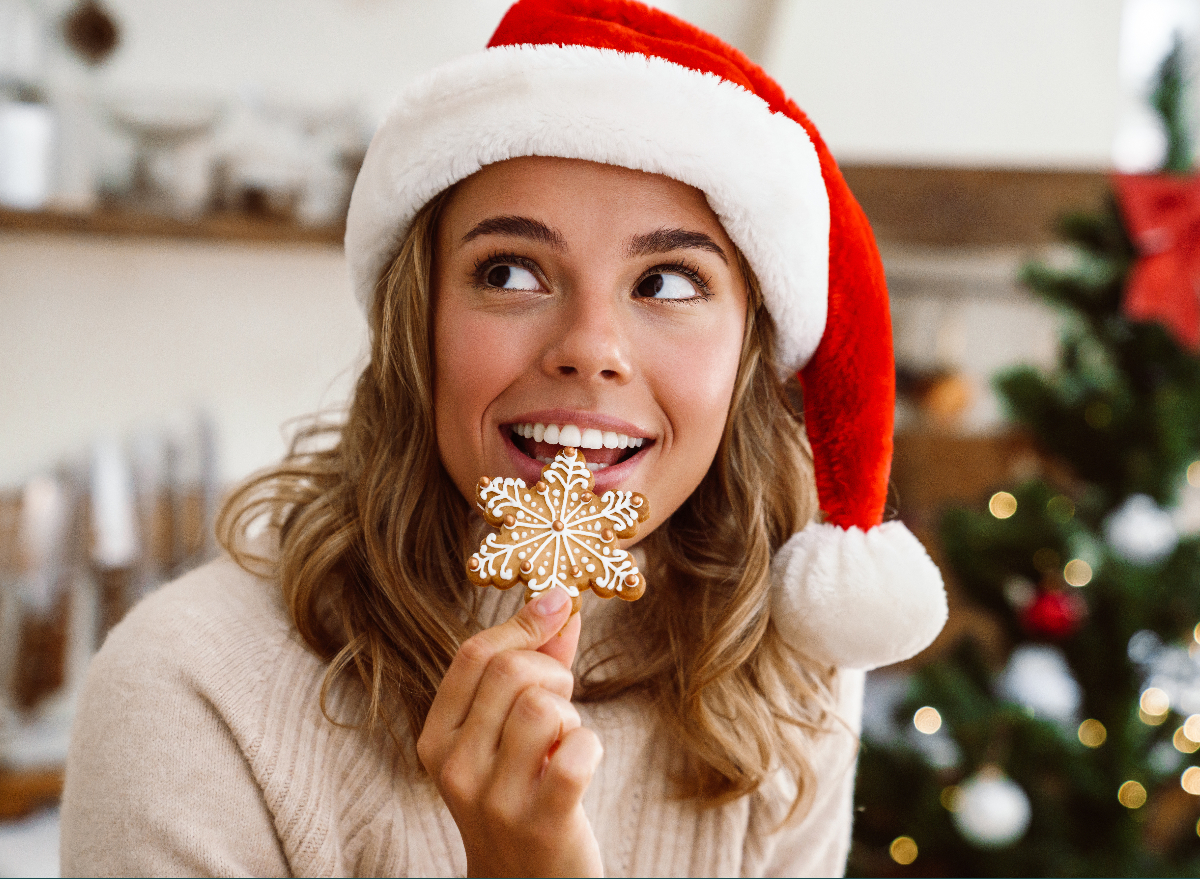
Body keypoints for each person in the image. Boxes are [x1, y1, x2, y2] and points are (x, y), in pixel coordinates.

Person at [60, 1, 947, 875]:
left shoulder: (787, 675)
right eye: (511, 271)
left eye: (670, 282)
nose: (590, 351)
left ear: (749, 347)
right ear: (420, 324)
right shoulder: (191, 692)